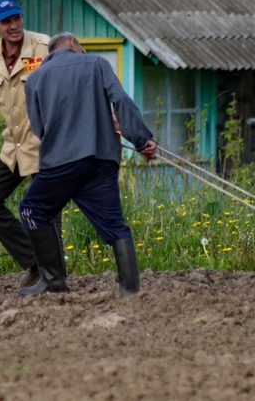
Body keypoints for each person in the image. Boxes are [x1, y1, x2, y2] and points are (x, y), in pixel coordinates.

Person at [18, 33, 158, 297]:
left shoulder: (34, 79)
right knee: (114, 223)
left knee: (32, 211)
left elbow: (39, 129)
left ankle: (53, 281)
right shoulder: (97, 64)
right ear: (72, 43)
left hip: (60, 163)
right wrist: (142, 141)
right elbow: (121, 102)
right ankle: (130, 289)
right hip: (101, 160)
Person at [0, 0, 60, 289]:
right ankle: (37, 261)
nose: (14, 26)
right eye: (7, 21)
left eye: (17, 19)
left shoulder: (45, 48)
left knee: (44, 212)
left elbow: (67, 89)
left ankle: (52, 278)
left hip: (46, 145)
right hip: (13, 148)